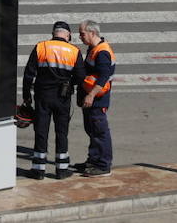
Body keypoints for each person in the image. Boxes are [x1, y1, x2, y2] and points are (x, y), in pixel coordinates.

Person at [21, 20, 81, 180]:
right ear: (68, 35)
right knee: (62, 132)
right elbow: (81, 77)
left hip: (42, 96)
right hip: (63, 98)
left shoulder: (41, 47)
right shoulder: (74, 51)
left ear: (53, 34)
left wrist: (26, 97)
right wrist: (69, 83)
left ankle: (38, 170)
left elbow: (28, 74)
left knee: (41, 131)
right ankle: (62, 170)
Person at [75, 18, 116, 176]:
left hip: (98, 99)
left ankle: (103, 165)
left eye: (82, 33)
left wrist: (91, 95)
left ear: (92, 33)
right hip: (91, 98)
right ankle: (93, 160)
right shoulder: (94, 48)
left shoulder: (102, 52)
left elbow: (104, 76)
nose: (80, 37)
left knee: (100, 132)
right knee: (92, 130)